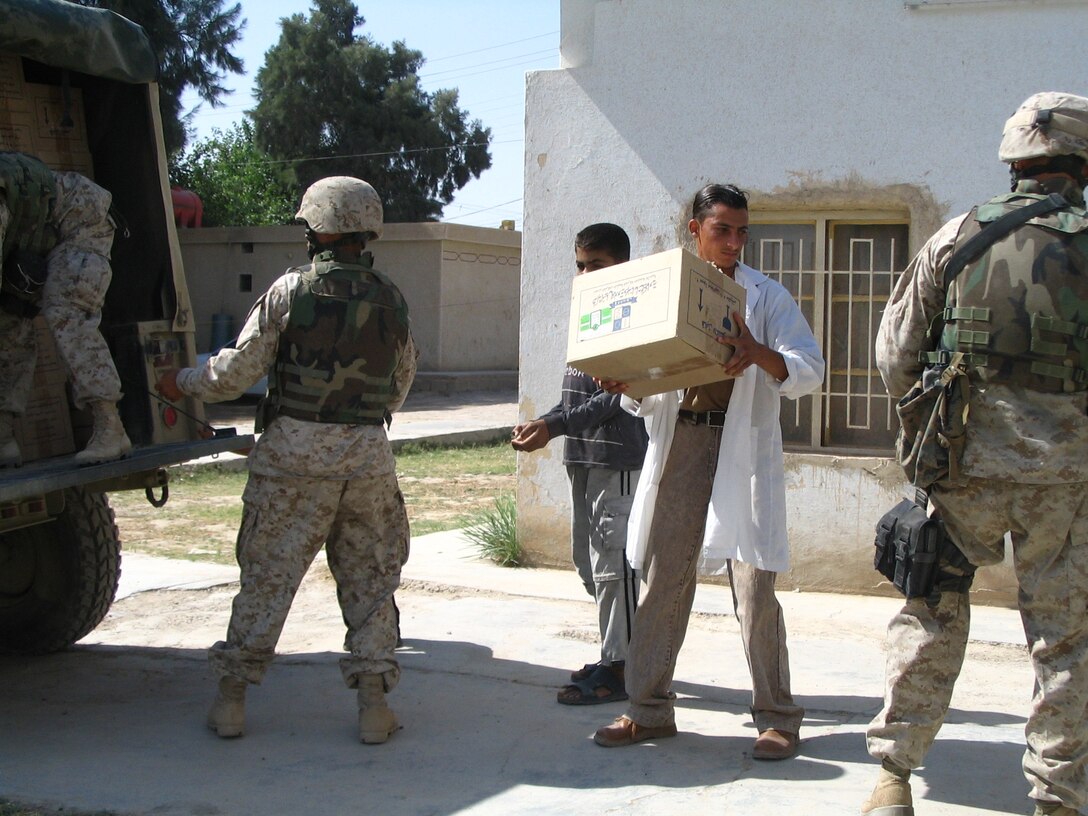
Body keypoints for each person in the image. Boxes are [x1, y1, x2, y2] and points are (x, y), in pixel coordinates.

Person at [863, 92, 1088, 816]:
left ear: (1014, 159)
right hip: (1070, 481)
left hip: (962, 468)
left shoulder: (957, 236)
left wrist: (923, 444)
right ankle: (1057, 798)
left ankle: (892, 778)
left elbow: (895, 357)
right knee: (1066, 640)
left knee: (930, 614)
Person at [155, 176, 417, 745]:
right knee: (372, 581)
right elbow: (399, 385)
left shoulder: (289, 291)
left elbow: (235, 374)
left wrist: (181, 381)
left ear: (318, 228)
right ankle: (373, 709)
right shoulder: (391, 296)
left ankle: (231, 704)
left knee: (269, 578)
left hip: (292, 457)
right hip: (367, 457)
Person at [591, 184, 824, 759]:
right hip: (683, 443)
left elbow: (808, 369)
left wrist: (755, 351)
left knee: (754, 584)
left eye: (742, 230)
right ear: (694, 229)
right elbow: (648, 384)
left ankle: (777, 717)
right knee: (665, 575)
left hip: (741, 449)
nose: (735, 241)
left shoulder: (765, 297)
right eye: (723, 229)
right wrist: (627, 383)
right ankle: (647, 710)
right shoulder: (667, 291)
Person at [512, 222, 648, 705]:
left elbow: (617, 398)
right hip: (583, 459)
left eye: (597, 265)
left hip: (619, 460)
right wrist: (545, 422)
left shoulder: (635, 318)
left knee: (615, 568)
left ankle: (622, 669)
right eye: (580, 265)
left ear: (622, 267)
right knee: (588, 566)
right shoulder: (588, 317)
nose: (586, 273)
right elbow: (577, 397)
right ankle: (618, 653)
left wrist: (556, 426)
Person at [0, 151, 132, 466]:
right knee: (10, 320)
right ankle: (2, 437)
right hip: (35, 236)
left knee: (65, 311)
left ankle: (109, 426)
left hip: (83, 221)